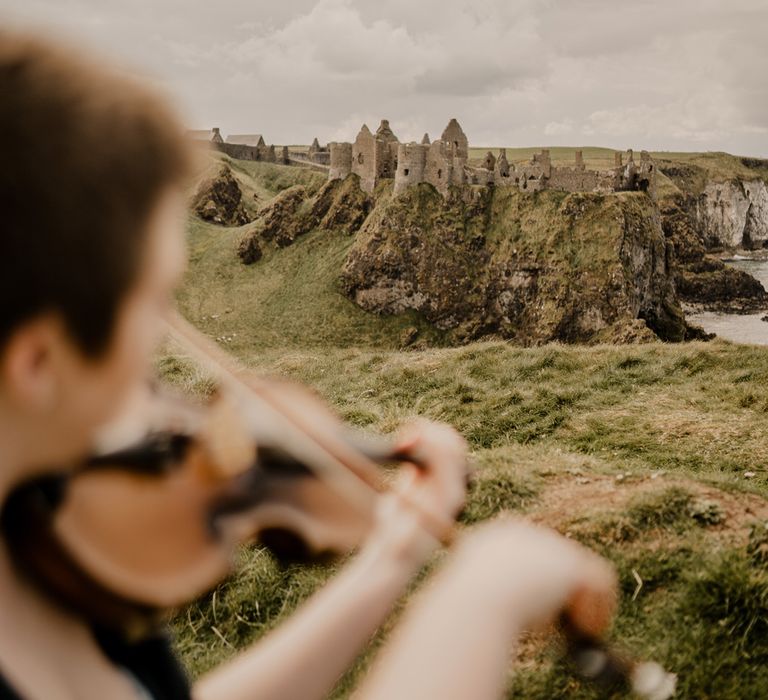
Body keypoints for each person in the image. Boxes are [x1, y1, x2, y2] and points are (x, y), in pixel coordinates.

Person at [0, 30, 617, 700]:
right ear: (37, 363)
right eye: (155, 303)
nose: (167, 341)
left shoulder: (45, 539)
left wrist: (393, 555)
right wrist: (477, 606)